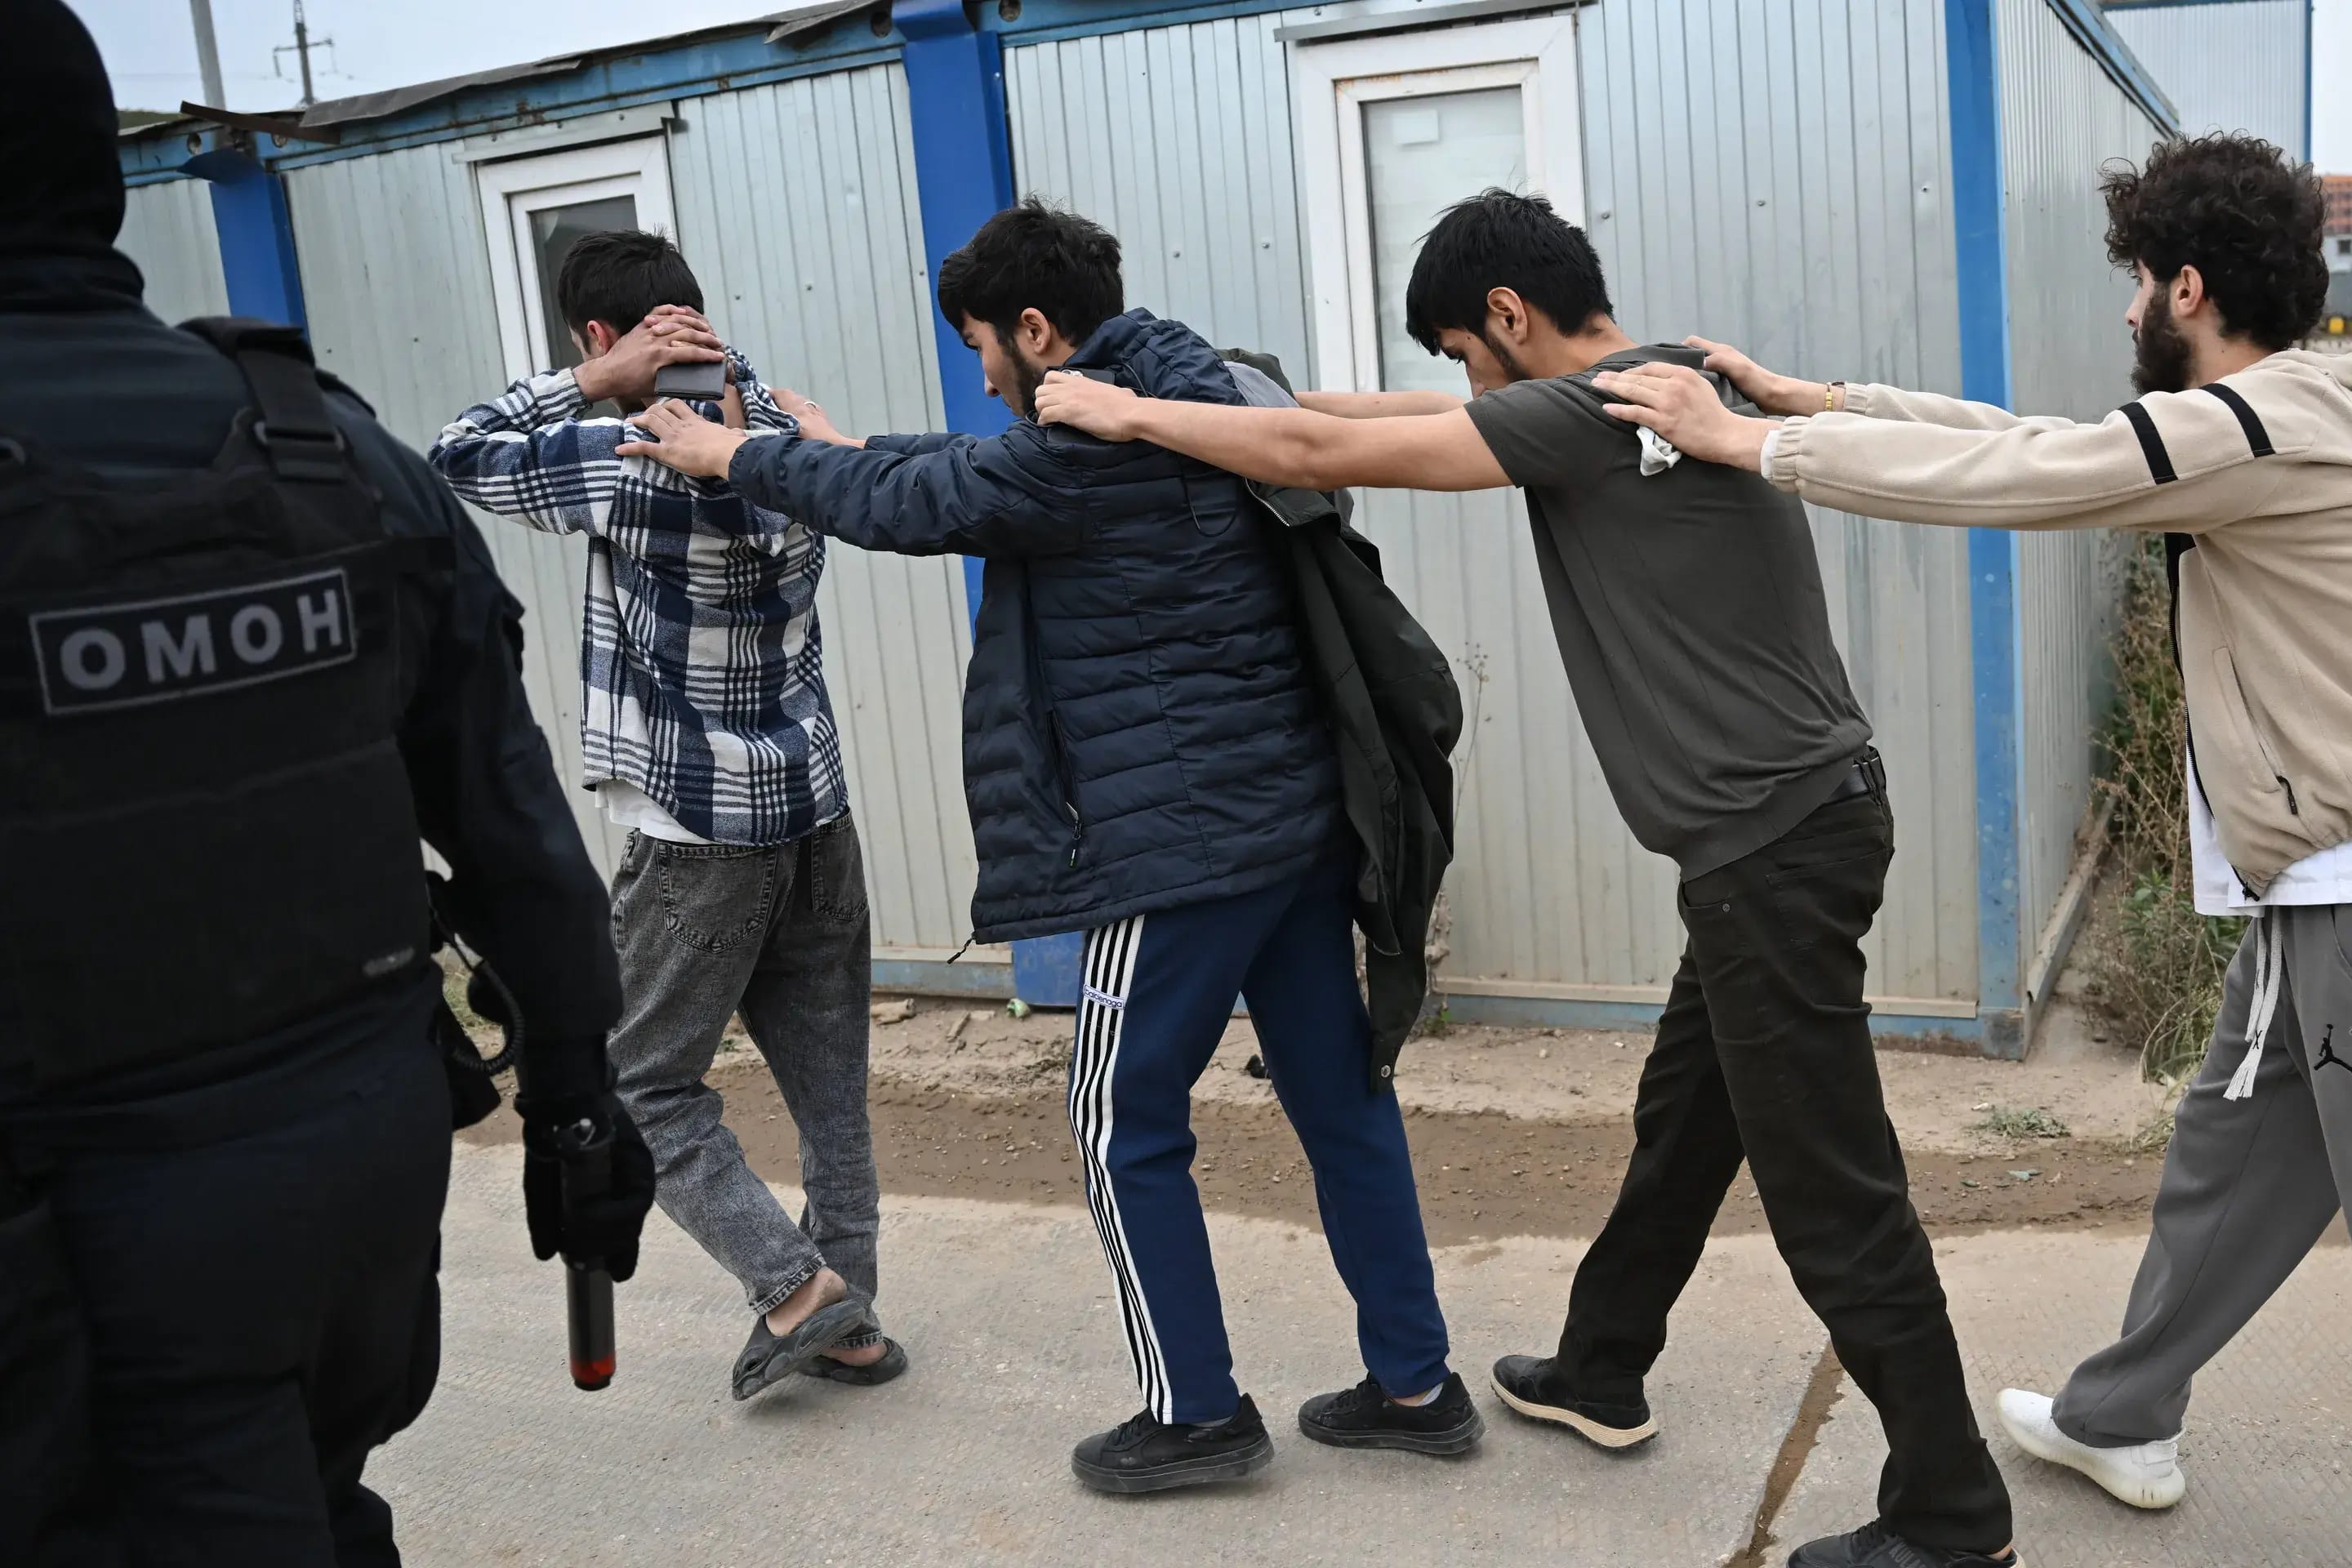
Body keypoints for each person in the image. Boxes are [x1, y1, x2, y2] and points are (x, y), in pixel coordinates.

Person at [1033, 189, 2018, 1568]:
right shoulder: (1672, 377)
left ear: (1507, 314)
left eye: (1464, 353)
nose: (1464, 386)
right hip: (1790, 836)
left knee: (1835, 1197)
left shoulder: (1596, 413)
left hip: (1771, 854)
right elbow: (1362, 415)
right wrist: (1234, 392)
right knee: (1687, 1127)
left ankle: (1953, 1515)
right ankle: (1601, 1367)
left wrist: (1131, 414)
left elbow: (1326, 451)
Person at [619, 198, 1482, 1490]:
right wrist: (830, 445)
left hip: (1176, 850)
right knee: (1341, 1102)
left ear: (1035, 329)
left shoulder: (1084, 451)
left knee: (1120, 1119)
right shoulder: (1194, 386)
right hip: (1294, 829)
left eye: (983, 347)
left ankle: (1197, 1416)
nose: (983, 377)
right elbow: (964, 467)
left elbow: (928, 500)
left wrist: (728, 453)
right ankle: (1417, 1384)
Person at [1581, 131, 2349, 1519]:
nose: (2127, 311)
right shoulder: (2281, 409)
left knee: (2246, 1149)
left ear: (2187, 288)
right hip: (2311, 895)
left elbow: (2024, 481)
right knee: (2231, 1154)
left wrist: (1751, 440)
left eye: (2137, 283)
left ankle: (2122, 1413)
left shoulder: (2251, 425)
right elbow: (2035, 443)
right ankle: (2123, 1416)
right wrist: (1821, 398)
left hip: (2345, 891)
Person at [0, 5, 654, 1562]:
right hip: (357, 1174)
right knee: (318, 1502)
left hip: (79, 1239)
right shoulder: (329, 454)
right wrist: (579, 1109)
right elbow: (514, 831)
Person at [428, 233, 895, 1396]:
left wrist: (596, 382)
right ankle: (855, 1326)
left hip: (697, 836)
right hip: (814, 812)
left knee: (636, 1082)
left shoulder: (621, 455)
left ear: (605, 336)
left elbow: (452, 456)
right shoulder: (785, 435)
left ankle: (800, 1292)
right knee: (831, 1090)